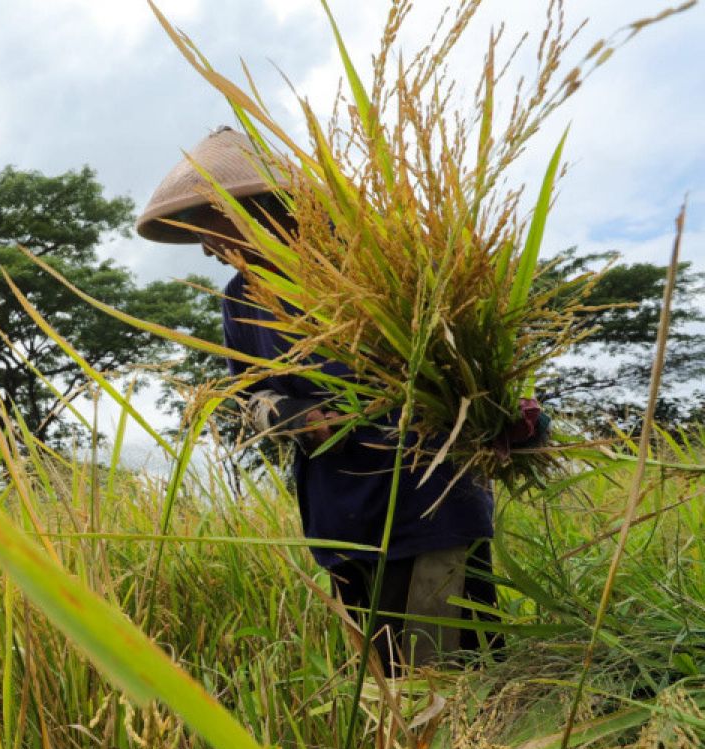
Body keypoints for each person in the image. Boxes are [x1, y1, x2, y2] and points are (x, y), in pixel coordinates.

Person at [135, 126, 510, 670]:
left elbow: (472, 349)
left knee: (448, 679)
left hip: (428, 496)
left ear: (260, 208)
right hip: (340, 514)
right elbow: (248, 392)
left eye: (210, 227)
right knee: (388, 683)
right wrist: (289, 415)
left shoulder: (377, 259)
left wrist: (509, 414)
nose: (208, 248)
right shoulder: (242, 297)